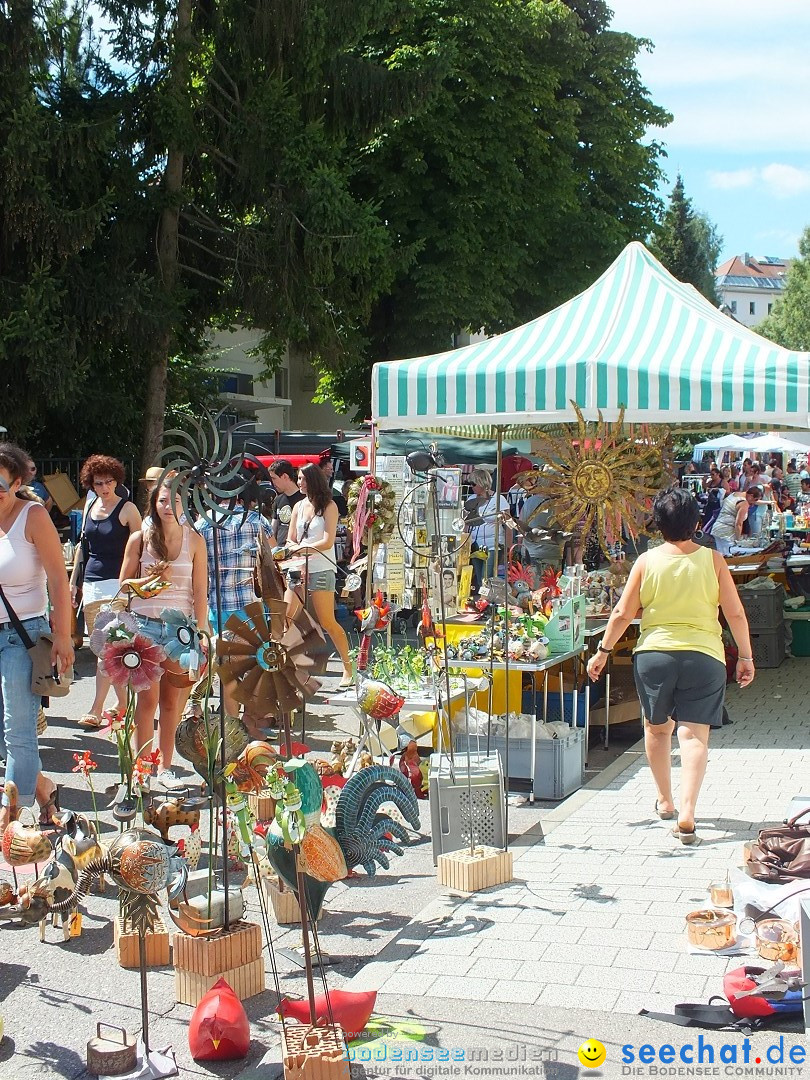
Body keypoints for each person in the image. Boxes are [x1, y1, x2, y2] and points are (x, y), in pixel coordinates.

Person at [586, 487, 755, 844]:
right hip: (704, 656)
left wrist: (603, 650)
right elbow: (735, 612)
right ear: (696, 523)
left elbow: (622, 612)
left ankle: (665, 800)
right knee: (694, 736)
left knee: (658, 729)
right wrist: (745, 655)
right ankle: (689, 812)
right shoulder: (713, 560)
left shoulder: (646, 561)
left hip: (654, 656)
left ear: (657, 525)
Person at [0, 443, 74, 836]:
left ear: (16, 482)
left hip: (22, 636)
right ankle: (45, 789)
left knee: (18, 731)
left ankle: (10, 825)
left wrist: (63, 636)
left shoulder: (32, 517)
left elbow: (59, 581)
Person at [119, 480, 209, 788]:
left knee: (172, 702)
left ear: (185, 504)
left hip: (180, 630)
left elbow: (200, 590)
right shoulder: (139, 539)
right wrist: (148, 584)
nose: (168, 506)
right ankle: (142, 770)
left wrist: (204, 631)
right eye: (162, 501)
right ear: (154, 504)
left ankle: (165, 766)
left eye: (174, 501)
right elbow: (124, 587)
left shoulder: (195, 541)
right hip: (145, 625)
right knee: (147, 701)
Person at [71, 455, 142, 728]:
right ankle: (124, 704)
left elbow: (140, 549)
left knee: (107, 649)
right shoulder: (90, 506)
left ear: (117, 480)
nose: (104, 487)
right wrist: (73, 581)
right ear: (91, 484)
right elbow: (81, 546)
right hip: (91, 584)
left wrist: (135, 586)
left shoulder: (128, 509)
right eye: (98, 483)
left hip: (118, 585)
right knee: (106, 649)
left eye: (109, 481)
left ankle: (96, 708)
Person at [195, 482, 271, 738]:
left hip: (219, 606)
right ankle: (251, 720)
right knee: (253, 667)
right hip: (250, 606)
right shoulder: (256, 520)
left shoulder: (204, 526)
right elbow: (272, 554)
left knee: (227, 671)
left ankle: (232, 726)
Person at [285, 463, 353, 687]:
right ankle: (296, 670)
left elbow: (327, 541)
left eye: (303, 479)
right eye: (298, 478)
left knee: (327, 621)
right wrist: (294, 551)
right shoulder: (298, 506)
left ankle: (347, 667)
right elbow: (290, 538)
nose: (299, 483)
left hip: (321, 569)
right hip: (296, 569)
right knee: (288, 619)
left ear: (313, 480)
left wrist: (300, 549)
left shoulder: (329, 506)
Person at [465, 468, 511, 590]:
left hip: (492, 544)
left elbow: (509, 522)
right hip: (475, 544)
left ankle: (487, 602)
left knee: (486, 577)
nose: (472, 487)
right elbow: (466, 523)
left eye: (473, 484)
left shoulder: (499, 499)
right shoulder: (471, 499)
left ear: (482, 483)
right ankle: (484, 602)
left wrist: (508, 545)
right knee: (480, 577)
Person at [267, 460, 303, 547]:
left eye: (274, 478)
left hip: (298, 551)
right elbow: (273, 529)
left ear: (285, 476)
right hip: (280, 552)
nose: (272, 483)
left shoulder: (304, 499)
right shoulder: (278, 500)